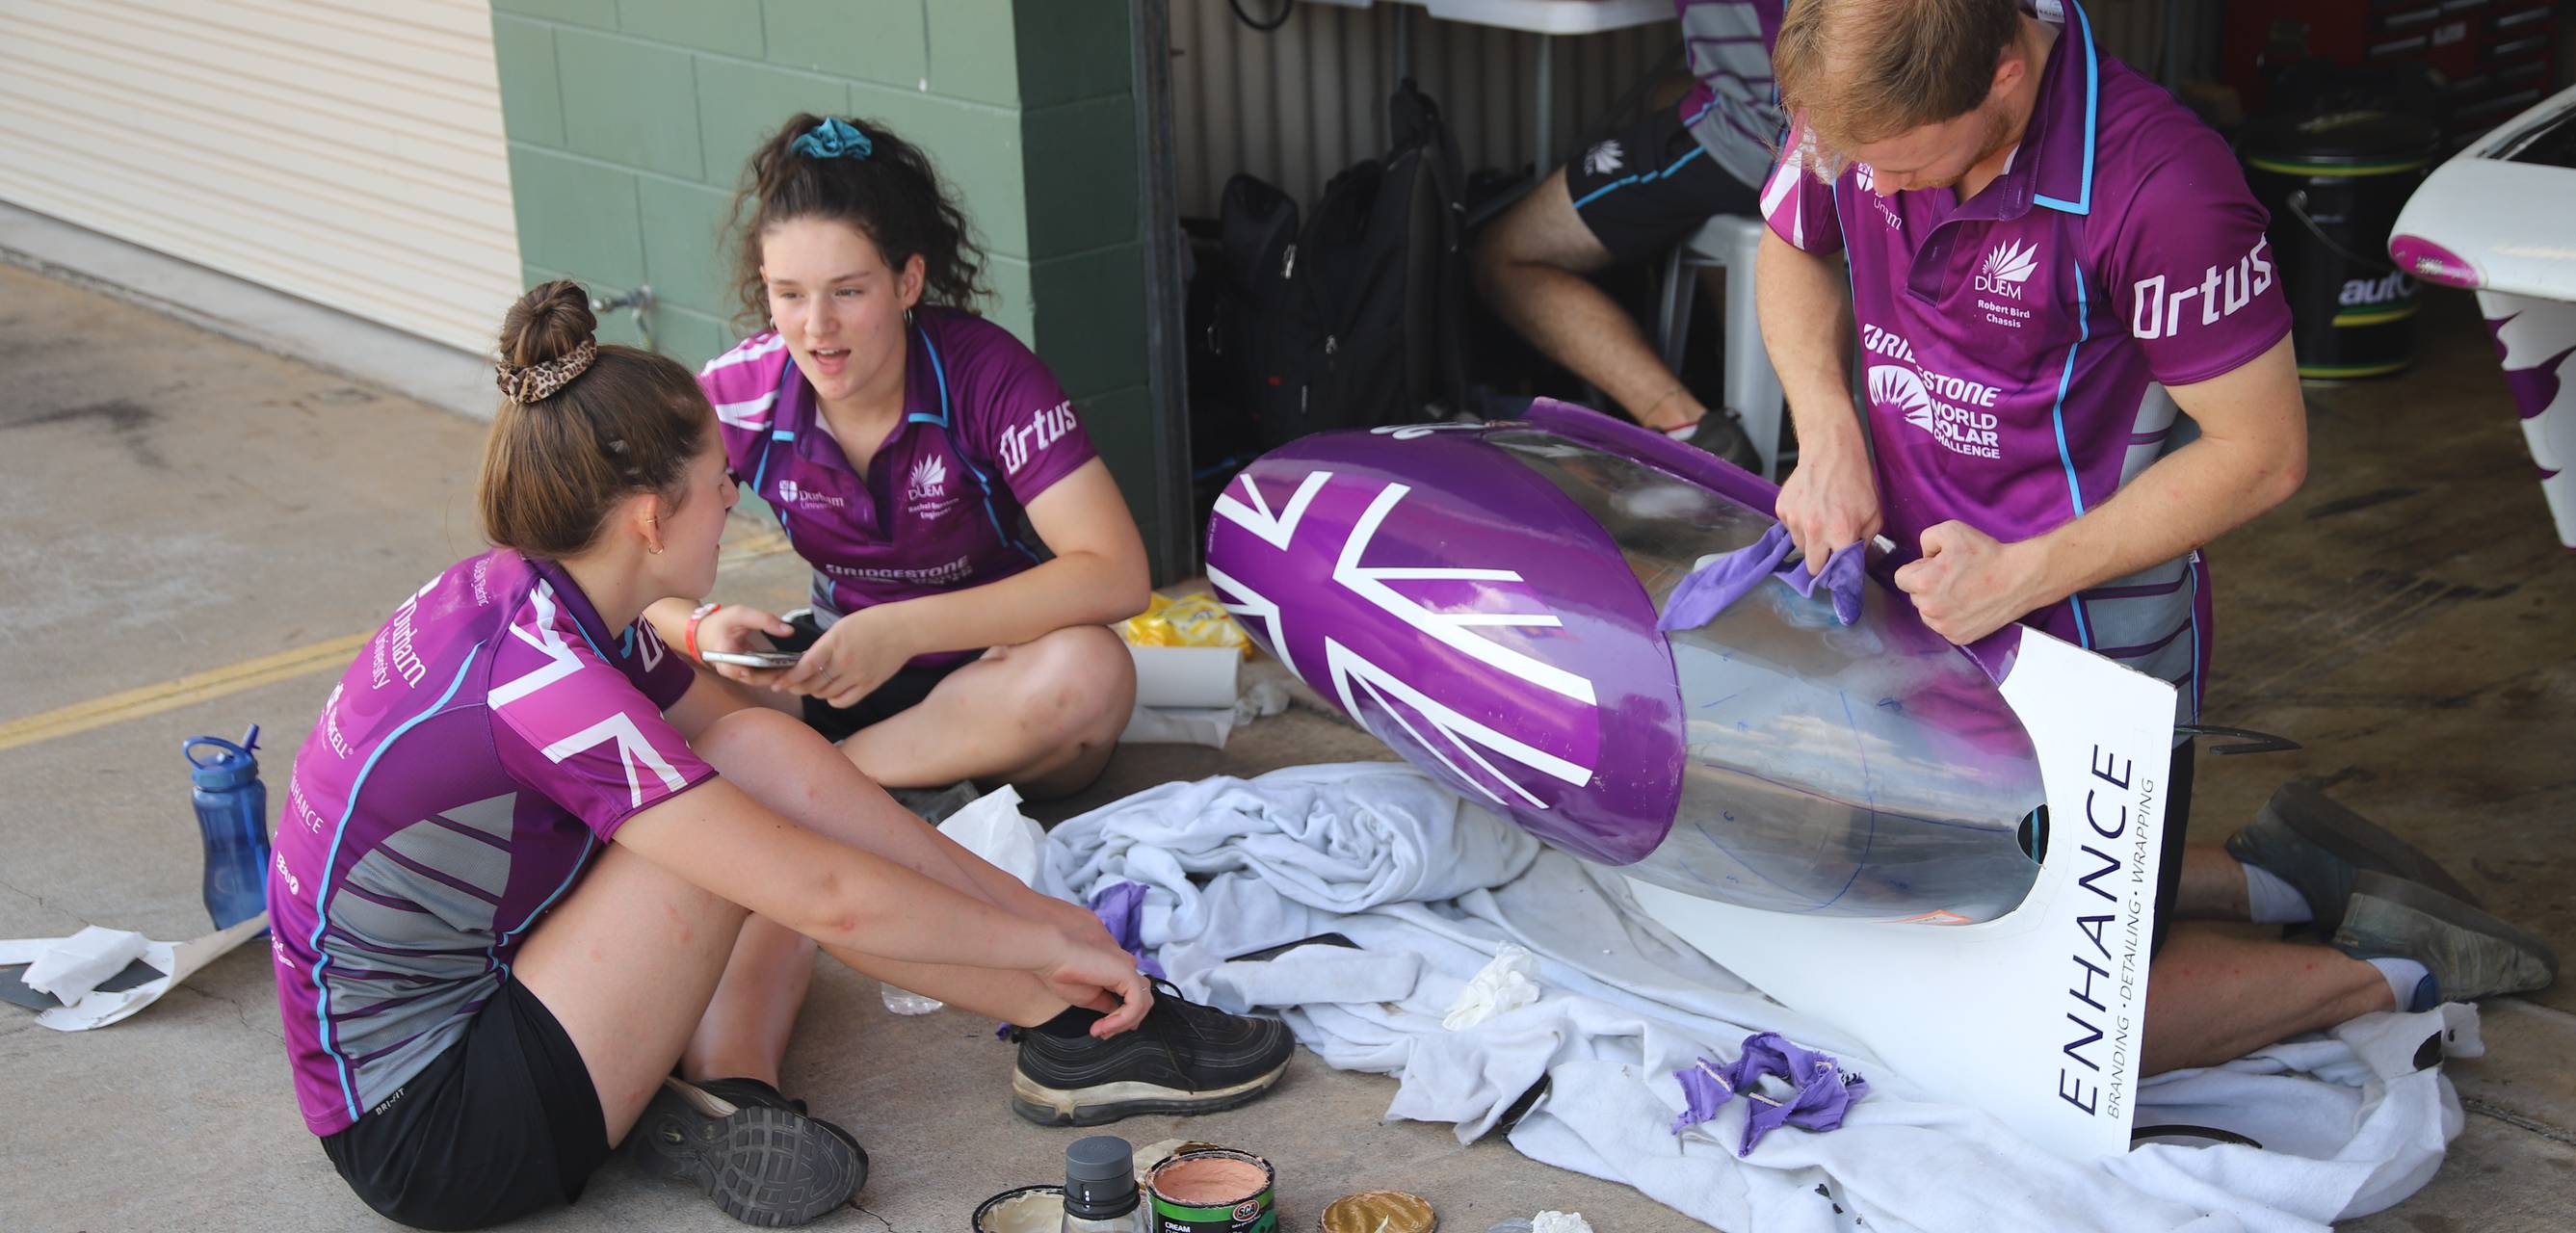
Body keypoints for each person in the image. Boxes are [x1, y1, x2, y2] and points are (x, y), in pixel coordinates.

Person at [270, 283, 1293, 1230]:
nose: (736, 504)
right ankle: (1066, 1020)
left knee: (750, 748)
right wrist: (1033, 954)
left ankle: (1055, 1013)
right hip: (434, 1123)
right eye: (719, 486)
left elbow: (773, 751)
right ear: (647, 517)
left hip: (470, 1003)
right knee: (755, 844)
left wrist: (1045, 921)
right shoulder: (545, 686)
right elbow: (828, 892)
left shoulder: (527, 591)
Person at [1757, 0, 2555, 1072]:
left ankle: (2400, 966)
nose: (1880, 193)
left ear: (2003, 77)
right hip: (1910, 609)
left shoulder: (2161, 184)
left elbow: (2262, 450)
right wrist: (1827, 431)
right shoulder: (1872, 100)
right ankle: (2272, 872)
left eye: (1902, 170)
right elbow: (1790, 242)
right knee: (1871, 909)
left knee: (2052, 1044)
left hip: (2083, 645)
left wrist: (2023, 571)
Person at [646, 114, 1145, 802]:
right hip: (826, 672)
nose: (817, 328)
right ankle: (872, 783)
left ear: (909, 281)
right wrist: (702, 629)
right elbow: (615, 567)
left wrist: (902, 630)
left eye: (848, 291)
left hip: (996, 676)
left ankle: (819, 784)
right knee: (626, 659)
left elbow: (1117, 574)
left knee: (1094, 674)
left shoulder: (987, 373)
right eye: (789, 295)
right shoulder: (737, 394)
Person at [1472, 0, 1785, 472]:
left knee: (1503, 256)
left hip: (1761, 135)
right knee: (1667, 93)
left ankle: (1693, 431)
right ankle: (1759, 389)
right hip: (1843, 128)